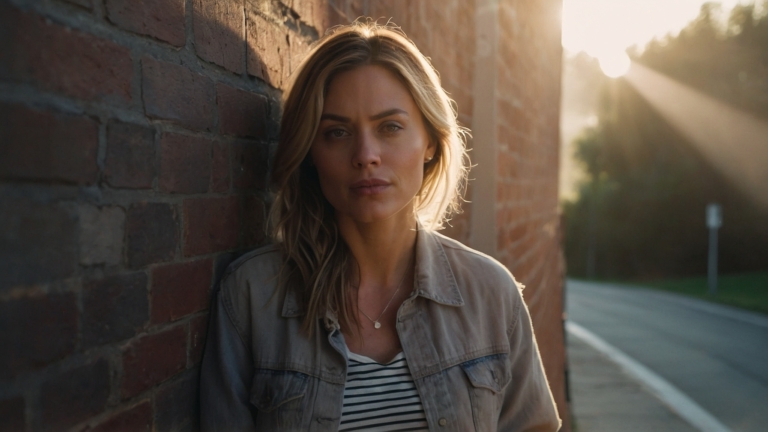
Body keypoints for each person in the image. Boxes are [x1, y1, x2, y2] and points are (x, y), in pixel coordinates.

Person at [200, 21, 561, 432]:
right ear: (309, 152)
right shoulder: (252, 296)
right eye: (336, 132)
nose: (365, 155)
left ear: (429, 140)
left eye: (390, 127)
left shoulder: (489, 292)